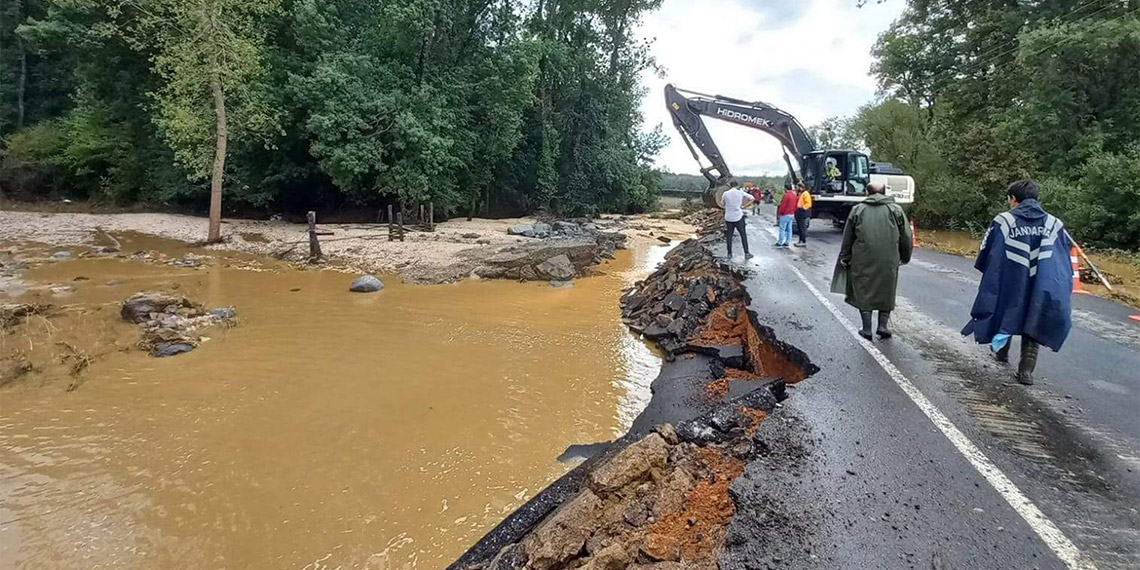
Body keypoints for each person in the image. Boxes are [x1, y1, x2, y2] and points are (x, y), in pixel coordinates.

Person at [961, 180, 1073, 385]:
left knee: (1007, 310)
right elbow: (1063, 260)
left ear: (1013, 199)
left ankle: (1001, 352)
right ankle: (1026, 371)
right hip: (1042, 281)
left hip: (1011, 278)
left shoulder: (1003, 221)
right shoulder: (1055, 224)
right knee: (1034, 316)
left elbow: (986, 251)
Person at [831, 182, 912, 340]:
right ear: (885, 192)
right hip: (889, 259)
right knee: (886, 289)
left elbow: (848, 237)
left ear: (867, 192)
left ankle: (866, 329)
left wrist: (845, 257)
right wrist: (904, 256)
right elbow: (907, 237)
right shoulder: (896, 210)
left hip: (862, 258)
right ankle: (883, 326)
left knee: (863, 290)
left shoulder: (858, 210)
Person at [721, 180, 754, 260]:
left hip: (729, 217)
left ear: (730, 185)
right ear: (737, 185)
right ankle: (746, 253)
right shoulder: (740, 192)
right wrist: (744, 206)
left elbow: (722, 203)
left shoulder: (725, 193)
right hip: (738, 216)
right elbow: (752, 198)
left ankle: (729, 254)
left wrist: (728, 206)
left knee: (729, 236)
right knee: (743, 235)